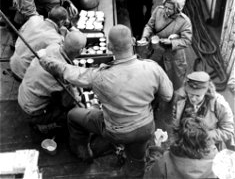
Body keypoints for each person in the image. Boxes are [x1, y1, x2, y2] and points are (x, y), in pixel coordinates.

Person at [39, 24, 173, 178]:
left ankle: (83, 153)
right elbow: (168, 95)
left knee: (73, 115)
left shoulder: (99, 76)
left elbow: (68, 71)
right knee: (137, 161)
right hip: (145, 127)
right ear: (133, 41)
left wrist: (45, 59)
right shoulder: (152, 68)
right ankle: (134, 170)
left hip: (117, 131)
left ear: (109, 46)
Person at [18, 31, 87, 133]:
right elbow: (69, 102)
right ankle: (44, 126)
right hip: (32, 110)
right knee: (74, 112)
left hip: (24, 95)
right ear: (81, 51)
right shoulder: (62, 78)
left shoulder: (52, 47)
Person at [139, 0, 192, 90]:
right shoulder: (159, 11)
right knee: (155, 77)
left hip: (173, 57)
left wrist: (172, 42)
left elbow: (187, 41)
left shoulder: (184, 22)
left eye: (170, 9)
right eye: (165, 7)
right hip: (157, 51)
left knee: (174, 83)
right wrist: (145, 37)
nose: (166, 10)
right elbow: (150, 26)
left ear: (177, 9)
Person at [173, 71, 235, 150]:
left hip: (209, 146)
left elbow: (228, 131)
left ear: (206, 92)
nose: (193, 99)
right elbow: (175, 125)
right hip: (185, 145)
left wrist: (204, 136)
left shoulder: (219, 104)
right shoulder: (180, 100)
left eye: (198, 95)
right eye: (191, 94)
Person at [144, 117, 218, 179]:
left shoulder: (165, 160)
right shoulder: (217, 160)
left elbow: (150, 175)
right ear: (205, 138)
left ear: (177, 137)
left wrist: (157, 148)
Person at [10, 6, 69, 81]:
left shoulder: (34, 19)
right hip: (24, 73)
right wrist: (62, 36)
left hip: (14, 64)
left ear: (49, 14)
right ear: (61, 22)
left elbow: (21, 32)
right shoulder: (56, 38)